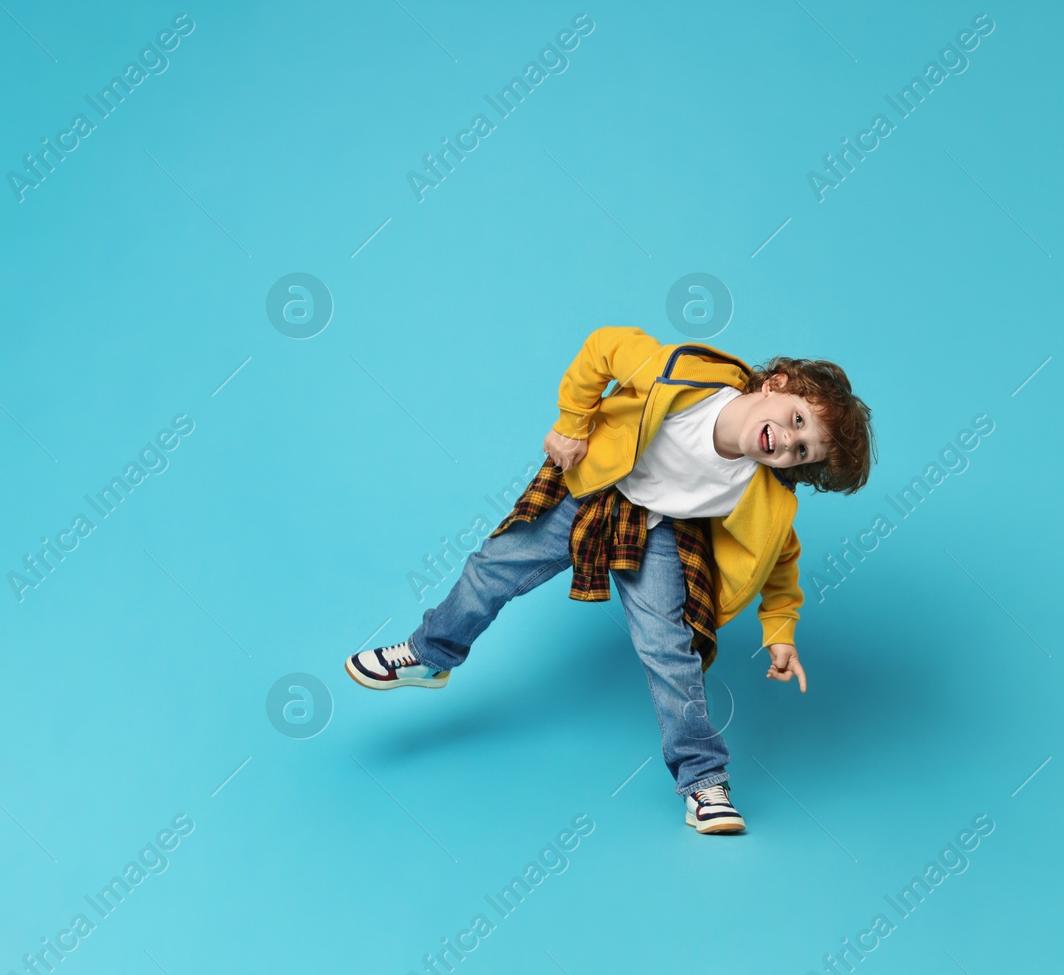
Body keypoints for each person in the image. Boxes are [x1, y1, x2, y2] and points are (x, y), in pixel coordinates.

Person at [346, 326, 874, 834]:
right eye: (798, 420)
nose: (789, 442)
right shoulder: (682, 377)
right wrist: (572, 424)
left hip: (656, 532)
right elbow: (603, 346)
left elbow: (782, 561)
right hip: (592, 490)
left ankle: (705, 782)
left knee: (670, 649)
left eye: (803, 451)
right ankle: (429, 654)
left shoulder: (761, 492)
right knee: (494, 567)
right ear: (775, 384)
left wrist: (780, 631)